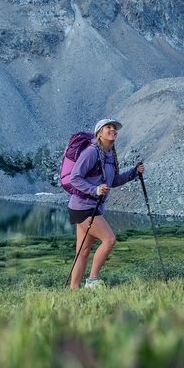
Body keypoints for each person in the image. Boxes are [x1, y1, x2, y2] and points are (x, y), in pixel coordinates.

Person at [68, 118, 142, 289]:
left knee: (83, 252)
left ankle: (73, 290)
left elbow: (114, 181)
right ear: (99, 133)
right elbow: (74, 178)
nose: (112, 129)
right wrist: (94, 190)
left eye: (114, 127)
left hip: (91, 207)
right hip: (84, 206)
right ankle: (92, 282)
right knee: (109, 240)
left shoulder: (109, 155)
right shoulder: (91, 152)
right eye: (108, 127)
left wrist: (133, 173)